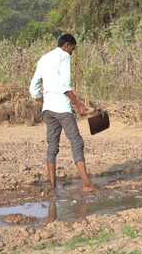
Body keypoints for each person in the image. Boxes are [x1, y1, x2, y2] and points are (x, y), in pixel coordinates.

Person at [29, 34, 97, 193]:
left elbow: (33, 88)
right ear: (67, 45)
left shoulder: (44, 58)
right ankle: (86, 184)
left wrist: (43, 98)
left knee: (52, 146)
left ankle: (52, 186)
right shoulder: (64, 56)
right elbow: (65, 85)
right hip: (62, 108)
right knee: (77, 142)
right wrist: (79, 105)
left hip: (47, 109)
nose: (72, 53)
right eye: (72, 49)